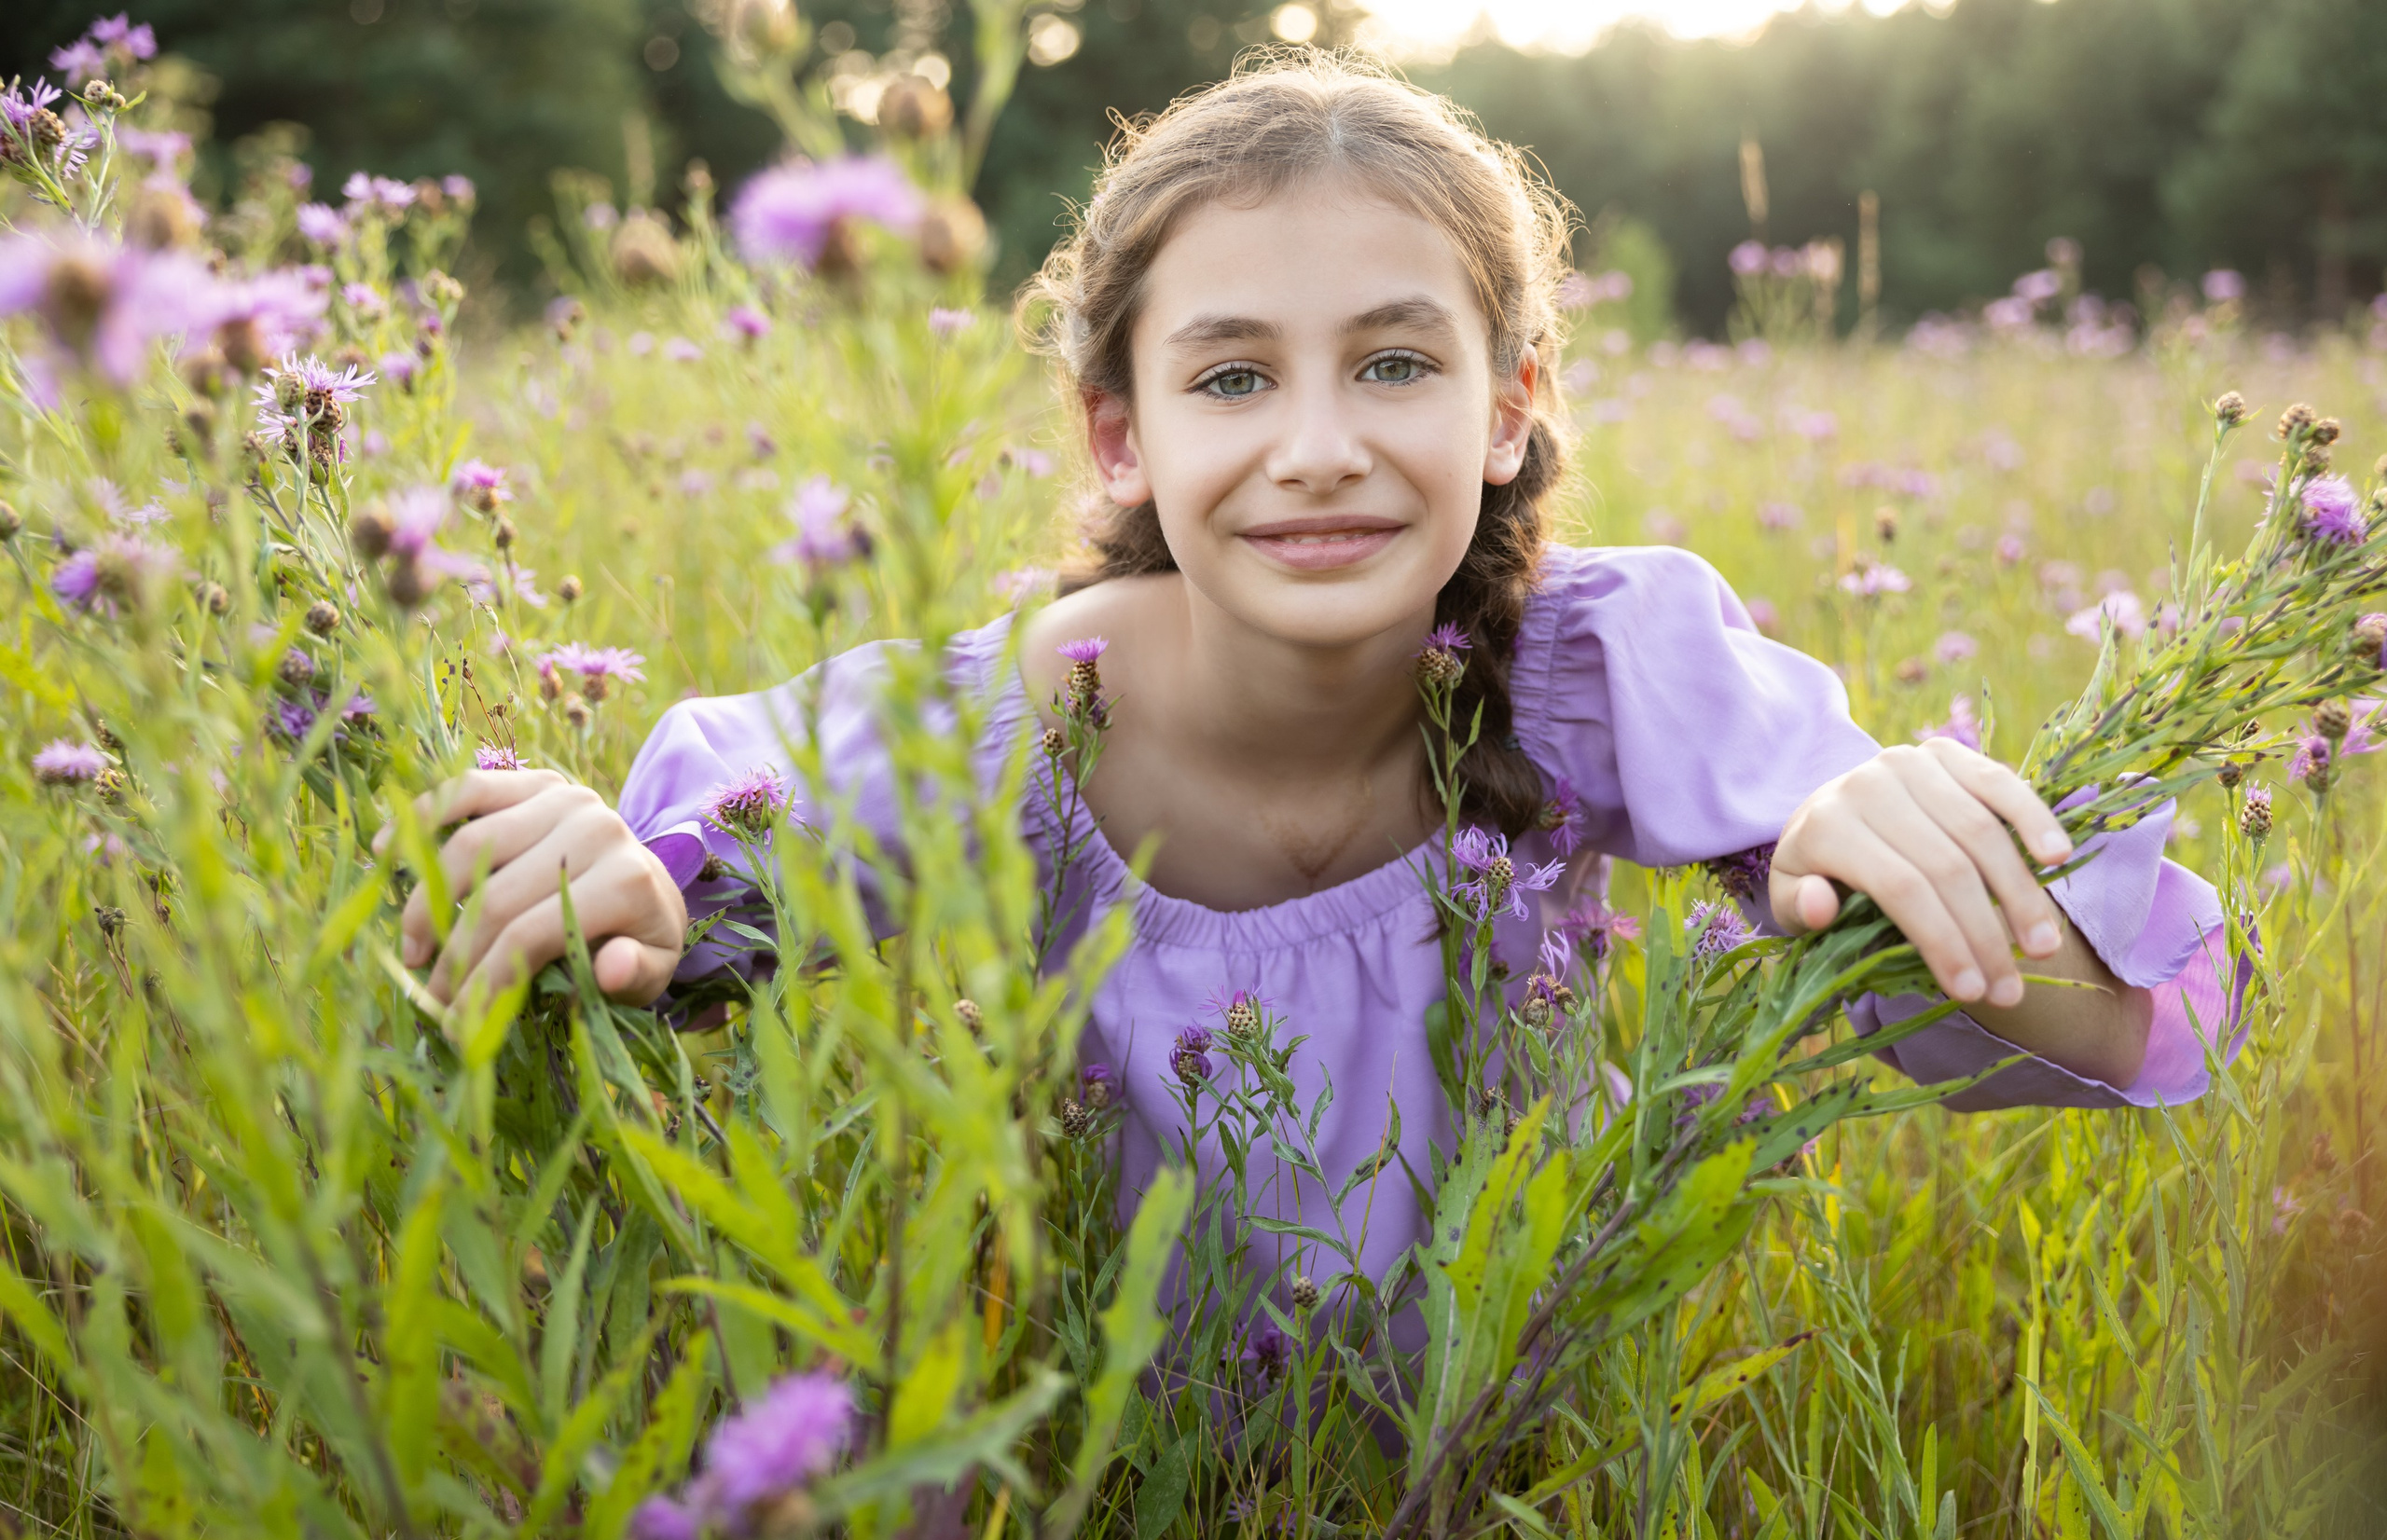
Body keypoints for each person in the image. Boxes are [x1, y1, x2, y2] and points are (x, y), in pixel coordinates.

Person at [378, 57, 2246, 1286]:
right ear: (1115, 433)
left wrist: (1894, 848)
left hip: (1510, 1440)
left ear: (1511, 407)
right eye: (1229, 376)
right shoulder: (1003, 722)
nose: (1319, 443)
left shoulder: (1600, 662)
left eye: (1393, 362)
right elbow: (682, 888)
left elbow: (2107, 1020)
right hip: (1086, 1483)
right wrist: (613, 887)